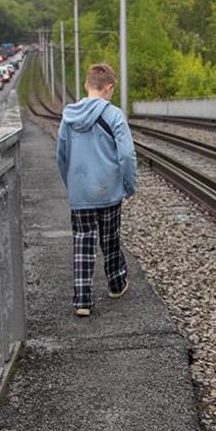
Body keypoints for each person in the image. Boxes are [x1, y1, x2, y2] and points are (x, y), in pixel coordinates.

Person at [57, 63, 136, 317]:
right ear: (109, 87)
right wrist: (129, 185)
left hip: (80, 193)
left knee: (82, 242)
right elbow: (126, 155)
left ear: (86, 85)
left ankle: (82, 300)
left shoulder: (68, 117)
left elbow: (61, 155)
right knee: (110, 239)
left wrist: (72, 186)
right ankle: (115, 284)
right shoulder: (114, 116)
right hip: (108, 192)